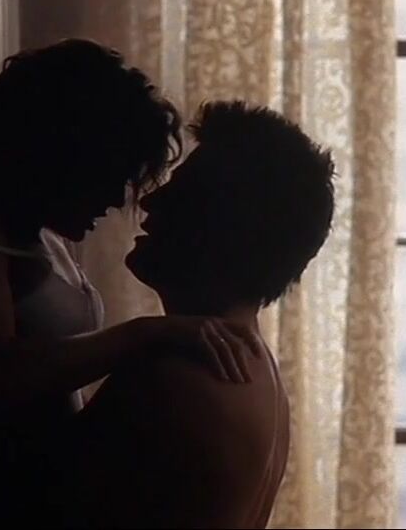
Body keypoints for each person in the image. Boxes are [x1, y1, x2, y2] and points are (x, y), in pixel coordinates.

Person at [0, 40, 260, 528]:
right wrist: (146, 333)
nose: (117, 200)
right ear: (64, 156)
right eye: (111, 175)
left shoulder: (37, 233)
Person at [40, 101, 335, 528]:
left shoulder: (169, 376)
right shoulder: (257, 374)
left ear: (223, 229)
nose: (149, 201)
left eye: (181, 193)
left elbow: (29, 503)